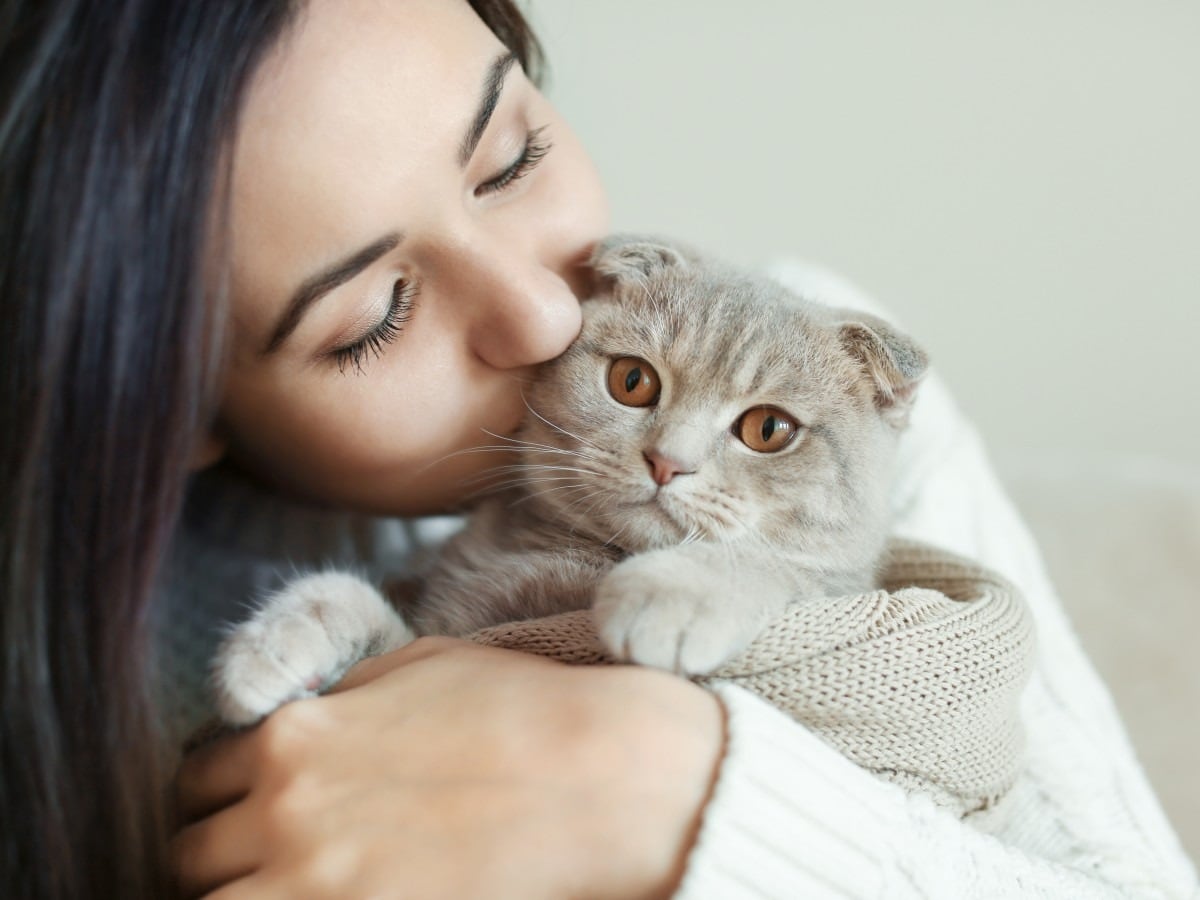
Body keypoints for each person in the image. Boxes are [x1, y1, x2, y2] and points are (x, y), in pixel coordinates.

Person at [1, 1, 1195, 899]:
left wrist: (665, 786)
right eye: (376, 315)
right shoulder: (81, 675)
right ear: (176, 409)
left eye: (510, 159)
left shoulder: (818, 373)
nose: (547, 316)